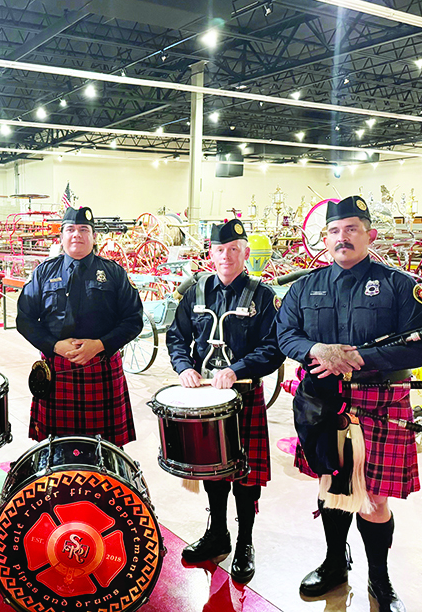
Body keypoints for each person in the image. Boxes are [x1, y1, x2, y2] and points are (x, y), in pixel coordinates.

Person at [276, 196, 422, 612]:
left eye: (351, 229)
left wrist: (361, 358)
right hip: (323, 402)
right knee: (331, 487)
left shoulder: (401, 285)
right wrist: (317, 348)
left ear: (369, 234)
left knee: (374, 498)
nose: (341, 237)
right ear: (324, 238)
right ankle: (333, 563)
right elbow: (285, 336)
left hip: (380, 400)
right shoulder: (304, 286)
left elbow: (421, 348)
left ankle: (380, 580)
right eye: (333, 230)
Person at [166, 218, 284, 583]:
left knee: (245, 478)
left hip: (244, 397)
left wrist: (238, 368)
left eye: (234, 249)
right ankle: (218, 533)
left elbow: (275, 347)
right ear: (211, 254)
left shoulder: (264, 297)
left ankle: (245, 542)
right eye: (220, 250)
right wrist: (184, 367)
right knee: (212, 471)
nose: (227, 256)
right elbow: (176, 336)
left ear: (246, 253)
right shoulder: (195, 292)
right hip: (203, 398)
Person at [16, 206, 143, 447]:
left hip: (101, 367)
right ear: (61, 237)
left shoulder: (114, 273)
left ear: (94, 237)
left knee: (105, 450)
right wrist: (54, 346)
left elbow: (133, 319)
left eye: (84, 229)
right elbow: (25, 319)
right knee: (55, 448)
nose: (77, 235)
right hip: (56, 369)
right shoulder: (43, 273)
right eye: (70, 230)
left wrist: (100, 345)